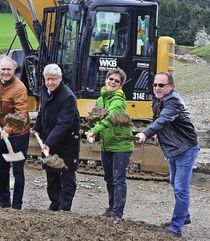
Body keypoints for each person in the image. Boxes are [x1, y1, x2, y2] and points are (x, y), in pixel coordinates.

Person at [135, 71, 199, 238]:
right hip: (173, 150)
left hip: (185, 149)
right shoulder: (158, 101)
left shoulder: (173, 102)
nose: (157, 88)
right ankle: (185, 216)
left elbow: (163, 120)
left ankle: (176, 227)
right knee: (174, 183)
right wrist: (157, 133)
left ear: (171, 87)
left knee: (180, 188)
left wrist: (145, 133)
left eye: (161, 85)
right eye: (155, 84)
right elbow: (160, 120)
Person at [85, 68, 133, 224]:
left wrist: (94, 130)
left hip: (121, 145)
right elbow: (96, 118)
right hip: (107, 145)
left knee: (119, 180)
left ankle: (117, 213)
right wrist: (92, 130)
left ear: (120, 85)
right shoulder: (100, 99)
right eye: (110, 79)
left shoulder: (118, 100)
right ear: (106, 80)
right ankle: (112, 208)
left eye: (116, 81)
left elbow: (109, 118)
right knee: (109, 178)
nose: (112, 82)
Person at [31, 64, 80, 212]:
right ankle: (54, 205)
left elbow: (63, 124)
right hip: (50, 140)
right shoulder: (46, 92)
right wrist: (37, 127)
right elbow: (43, 111)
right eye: (47, 79)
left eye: (53, 79)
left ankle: (64, 209)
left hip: (67, 143)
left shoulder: (68, 97)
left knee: (66, 176)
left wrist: (48, 143)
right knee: (51, 175)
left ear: (60, 78)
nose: (50, 82)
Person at [0, 56, 30, 210]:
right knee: (0, 168)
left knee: (18, 171)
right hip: (3, 131)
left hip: (18, 134)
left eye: (9, 69)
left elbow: (20, 115)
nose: (5, 72)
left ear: (14, 70)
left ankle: (17, 204)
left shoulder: (19, 88)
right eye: (3, 69)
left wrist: (8, 129)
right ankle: (4, 200)